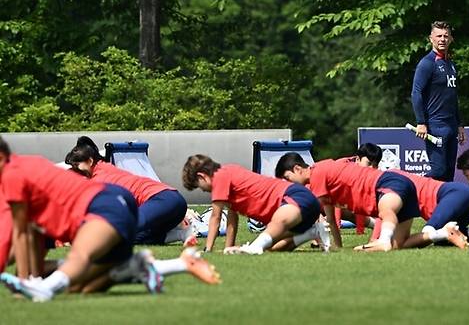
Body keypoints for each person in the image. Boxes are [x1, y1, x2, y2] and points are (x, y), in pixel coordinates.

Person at [0, 136, 162, 301]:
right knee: (81, 288)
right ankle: (134, 265)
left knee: (79, 255)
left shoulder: (11, 175)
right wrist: (30, 278)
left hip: (103, 202)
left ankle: (45, 289)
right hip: (114, 201)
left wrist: (22, 282)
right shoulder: (27, 166)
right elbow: (27, 233)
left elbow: (18, 234)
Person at [181, 154, 329, 255]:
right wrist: (228, 248)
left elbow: (216, 217)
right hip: (303, 213)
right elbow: (232, 220)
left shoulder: (220, 176)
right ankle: (313, 232)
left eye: (199, 185)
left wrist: (208, 250)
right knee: (272, 247)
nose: (202, 190)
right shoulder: (228, 178)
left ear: (202, 176)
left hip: (294, 196)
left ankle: (254, 247)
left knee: (274, 226)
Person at [275, 152, 420, 252]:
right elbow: (331, 220)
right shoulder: (322, 178)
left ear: (297, 169)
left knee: (386, 211)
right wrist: (338, 248)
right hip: (398, 184)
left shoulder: (317, 175)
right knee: (398, 245)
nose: (289, 183)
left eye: (288, 178)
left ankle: (383, 240)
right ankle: (438, 234)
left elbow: (309, 216)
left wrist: (274, 236)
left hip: (386, 183)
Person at [65, 136, 191, 246]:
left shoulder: (99, 179)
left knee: (121, 231)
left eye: (76, 166)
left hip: (162, 199)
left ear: (90, 161)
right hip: (175, 202)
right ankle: (182, 234)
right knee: (132, 238)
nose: (75, 170)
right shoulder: (105, 167)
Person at [411, 20, 465, 181]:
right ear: (431, 39)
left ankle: (444, 206)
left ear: (451, 39)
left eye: (445, 36)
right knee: (438, 170)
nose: (442, 39)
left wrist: (460, 124)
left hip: (451, 126)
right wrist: (421, 122)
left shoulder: (450, 64)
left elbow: (453, 96)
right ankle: (412, 192)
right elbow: (416, 92)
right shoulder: (427, 63)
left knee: (449, 173)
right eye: (439, 36)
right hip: (435, 126)